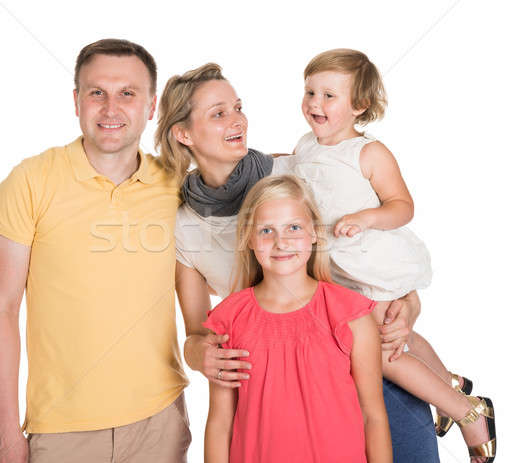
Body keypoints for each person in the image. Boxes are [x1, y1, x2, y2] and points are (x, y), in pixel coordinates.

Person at [155, 63, 440, 462]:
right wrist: (201, 355)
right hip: (273, 396)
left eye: (238, 107)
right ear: (183, 134)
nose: (237, 120)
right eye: (219, 113)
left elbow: (374, 250)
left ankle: (460, 402)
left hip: (368, 368)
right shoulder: (184, 226)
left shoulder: (295, 172)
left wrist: (408, 300)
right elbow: (195, 334)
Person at [0, 39, 191, 463]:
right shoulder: (30, 182)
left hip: (159, 423)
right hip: (61, 431)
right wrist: (6, 433)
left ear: (151, 106)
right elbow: (1, 308)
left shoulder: (177, 185)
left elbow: (249, 179)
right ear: (77, 101)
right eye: (97, 92)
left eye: (127, 93)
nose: (110, 108)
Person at [293, 48, 496, 462]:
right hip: (339, 269)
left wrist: (367, 217)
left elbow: (402, 205)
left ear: (359, 106)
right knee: (398, 335)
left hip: (371, 261)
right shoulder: (305, 145)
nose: (315, 103)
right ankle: (448, 387)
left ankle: (468, 412)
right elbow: (299, 170)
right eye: (310, 91)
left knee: (381, 348)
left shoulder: (369, 153)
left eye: (329, 95)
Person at [204, 174, 392, 462]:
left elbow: (373, 416)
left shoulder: (350, 315)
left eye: (293, 227)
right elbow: (220, 424)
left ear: (314, 233)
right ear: (249, 238)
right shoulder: (229, 319)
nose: (281, 242)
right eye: (266, 230)